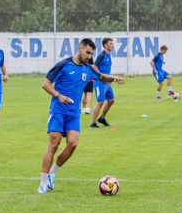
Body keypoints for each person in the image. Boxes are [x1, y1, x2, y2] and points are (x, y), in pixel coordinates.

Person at [37, 39, 125, 194]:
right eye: (87, 52)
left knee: (72, 144)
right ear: (79, 49)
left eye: (91, 54)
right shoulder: (63, 65)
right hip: (58, 110)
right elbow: (46, 84)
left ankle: (52, 174)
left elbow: (102, 76)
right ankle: (43, 183)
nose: (89, 56)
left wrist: (114, 77)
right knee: (54, 144)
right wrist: (59, 95)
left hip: (73, 114)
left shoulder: (88, 68)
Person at [91, 37, 115, 128]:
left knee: (111, 100)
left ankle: (102, 118)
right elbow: (95, 67)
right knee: (100, 102)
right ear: (105, 45)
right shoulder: (102, 55)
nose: (112, 45)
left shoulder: (109, 55)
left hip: (107, 82)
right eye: (110, 43)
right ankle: (93, 123)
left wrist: (108, 79)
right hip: (99, 82)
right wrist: (103, 78)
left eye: (112, 43)